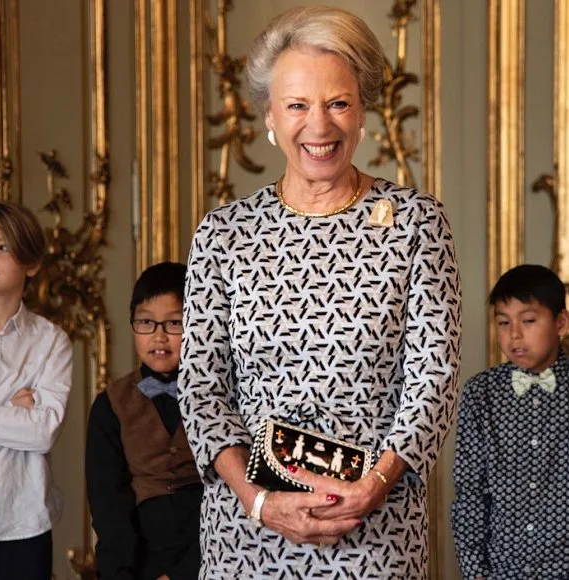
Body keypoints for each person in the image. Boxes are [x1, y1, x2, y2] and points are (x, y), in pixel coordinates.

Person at [179, 5, 461, 578]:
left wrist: (375, 485)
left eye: (338, 103)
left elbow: (433, 377)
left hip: (374, 525)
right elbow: (202, 387)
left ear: (362, 114)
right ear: (270, 117)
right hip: (248, 531)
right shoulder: (224, 233)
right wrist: (258, 502)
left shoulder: (415, 222)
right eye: (298, 106)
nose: (320, 126)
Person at [0, 201, 73, 580]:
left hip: (23, 527)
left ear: (31, 264)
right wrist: (10, 410)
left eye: (2, 247)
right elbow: (27, 428)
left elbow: (42, 432)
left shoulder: (51, 342)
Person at [86, 261, 202, 580]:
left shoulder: (218, 395)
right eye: (146, 323)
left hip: (210, 548)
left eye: (174, 323)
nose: (159, 337)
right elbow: (108, 505)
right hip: (141, 556)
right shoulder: (110, 405)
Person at [451, 264, 569, 579]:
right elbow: (470, 491)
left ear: (560, 322)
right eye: (503, 323)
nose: (514, 334)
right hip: (502, 571)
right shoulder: (481, 394)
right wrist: (476, 571)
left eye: (528, 321)